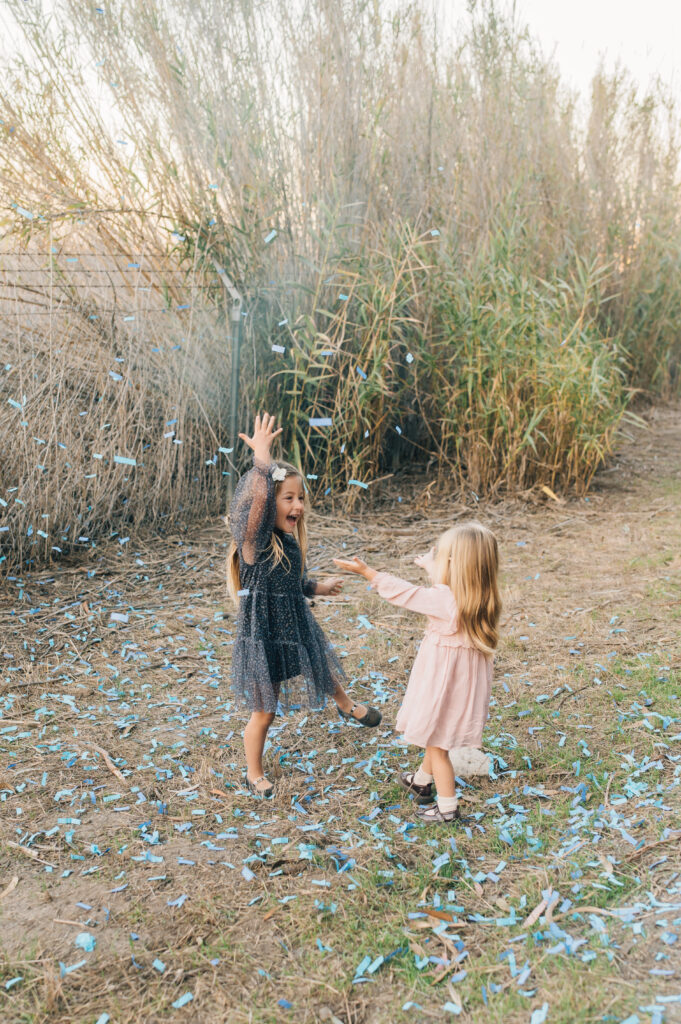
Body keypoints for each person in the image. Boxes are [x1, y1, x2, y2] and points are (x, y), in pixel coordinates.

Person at [227, 412, 382, 797]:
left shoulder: (287, 544)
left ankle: (346, 706)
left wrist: (318, 588)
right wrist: (262, 458)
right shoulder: (254, 542)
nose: (297, 506)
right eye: (288, 498)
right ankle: (253, 772)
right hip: (263, 634)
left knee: (318, 661)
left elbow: (292, 583)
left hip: (292, 622)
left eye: (300, 498)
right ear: (269, 505)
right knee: (264, 711)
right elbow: (259, 499)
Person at [333, 523, 500, 824]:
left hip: (442, 681)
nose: (439, 565)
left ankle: (447, 808)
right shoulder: (480, 597)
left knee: (437, 743)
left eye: (444, 559)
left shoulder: (444, 599)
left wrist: (369, 573)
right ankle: (421, 781)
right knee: (437, 732)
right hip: (461, 684)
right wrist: (430, 567)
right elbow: (443, 585)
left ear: (456, 566)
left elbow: (408, 595)